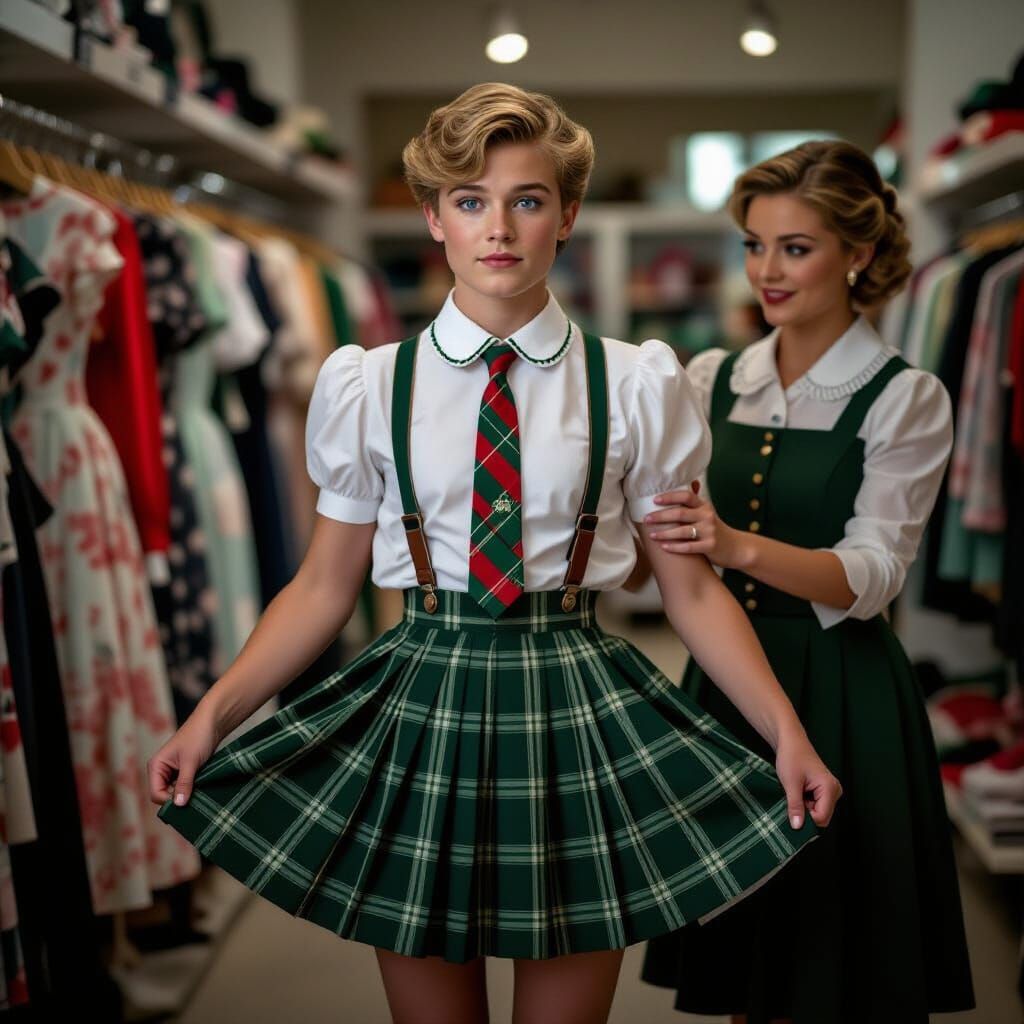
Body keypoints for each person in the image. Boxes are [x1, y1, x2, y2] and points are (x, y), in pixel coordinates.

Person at [148, 85, 840, 1024]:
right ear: (433, 218)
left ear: (568, 215)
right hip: (419, 702)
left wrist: (786, 733)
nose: (499, 227)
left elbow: (693, 592)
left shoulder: (638, 382)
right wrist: (212, 716)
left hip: (579, 703)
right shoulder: (366, 385)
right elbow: (321, 587)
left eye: (527, 198)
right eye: (470, 201)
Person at [641, 140, 975, 1024]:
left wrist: (734, 544)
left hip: (842, 685)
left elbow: (875, 571)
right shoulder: (711, 378)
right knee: (749, 950)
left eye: (795, 247)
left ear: (858, 254)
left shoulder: (907, 397)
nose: (766, 271)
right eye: (754, 244)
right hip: (725, 678)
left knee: (836, 956)